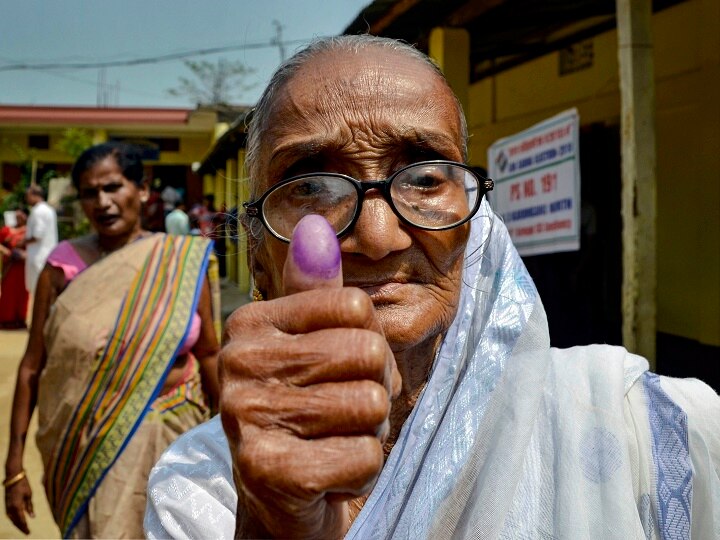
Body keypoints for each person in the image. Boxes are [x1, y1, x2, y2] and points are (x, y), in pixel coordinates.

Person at [144, 35, 720, 539]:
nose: (377, 236)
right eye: (312, 185)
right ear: (259, 259)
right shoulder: (201, 486)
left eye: (424, 176)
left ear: (477, 227)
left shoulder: (646, 429)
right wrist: (274, 526)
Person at [4, 142, 222, 538]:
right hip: (84, 454)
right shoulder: (62, 266)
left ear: (141, 189)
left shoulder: (178, 262)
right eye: (90, 193)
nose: (102, 202)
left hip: (177, 447)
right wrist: (13, 467)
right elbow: (32, 367)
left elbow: (209, 355)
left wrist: (232, 447)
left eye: (112, 187)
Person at [23, 185, 57, 296]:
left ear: (35, 195)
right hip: (46, 255)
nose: (26, 199)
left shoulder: (38, 211)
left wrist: (22, 242)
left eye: (28, 196)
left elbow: (37, 235)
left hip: (38, 257)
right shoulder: (48, 209)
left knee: (39, 291)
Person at [0, 209, 29, 329]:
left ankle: (20, 318)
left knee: (23, 292)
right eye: (17, 214)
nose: (19, 217)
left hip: (23, 265)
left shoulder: (29, 230)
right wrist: (7, 252)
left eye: (21, 214)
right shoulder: (6, 230)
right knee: (8, 291)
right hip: (10, 265)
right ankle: (6, 319)